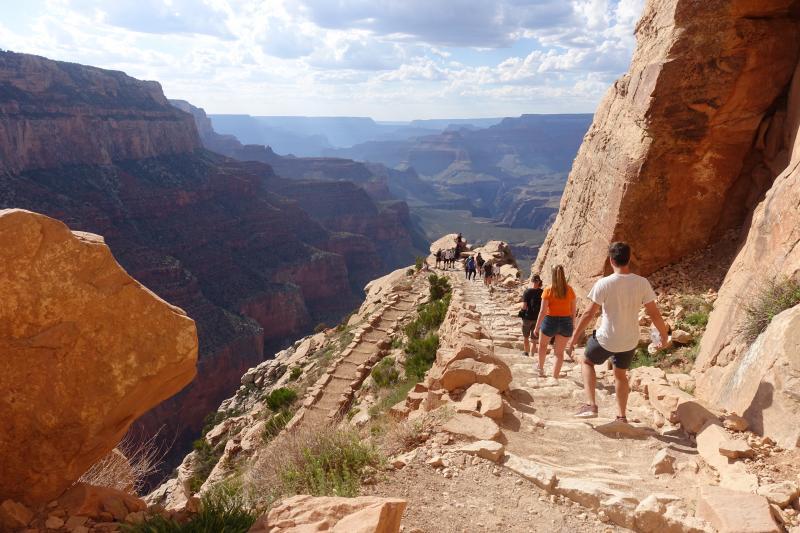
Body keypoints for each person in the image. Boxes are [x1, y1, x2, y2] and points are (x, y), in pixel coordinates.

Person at [568, 242, 669, 422]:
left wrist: (573, 339)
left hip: (607, 338)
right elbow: (654, 313)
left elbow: (589, 313)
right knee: (620, 374)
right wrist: (663, 335)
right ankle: (621, 417)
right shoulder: (642, 283)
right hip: (630, 340)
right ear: (629, 259)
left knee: (587, 361)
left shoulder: (604, 283)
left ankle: (591, 405)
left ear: (611, 260)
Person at [534, 265, 575, 379]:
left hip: (550, 321)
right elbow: (573, 311)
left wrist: (537, 327)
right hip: (566, 322)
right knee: (559, 353)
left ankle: (541, 370)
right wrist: (573, 324)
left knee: (542, 346)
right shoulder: (570, 290)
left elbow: (542, 311)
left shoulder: (548, 290)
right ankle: (555, 377)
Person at [520, 275, 543, 355]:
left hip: (527, 317)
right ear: (539, 282)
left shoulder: (527, 292)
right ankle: (532, 355)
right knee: (534, 340)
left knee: (526, 337)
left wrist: (521, 313)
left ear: (532, 281)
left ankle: (526, 352)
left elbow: (524, 306)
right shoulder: (542, 292)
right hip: (537, 318)